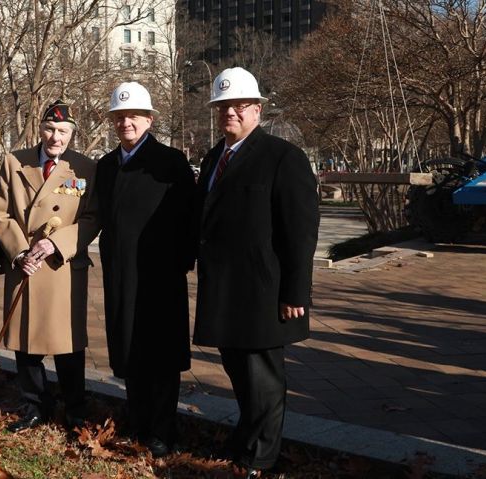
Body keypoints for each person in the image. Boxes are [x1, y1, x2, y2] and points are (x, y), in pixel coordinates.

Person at [193, 67, 319, 478]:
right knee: (239, 371)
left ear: (257, 109)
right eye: (223, 106)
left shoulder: (283, 157)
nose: (230, 112)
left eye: (239, 105)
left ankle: (261, 457)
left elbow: (300, 231)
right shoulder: (215, 157)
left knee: (263, 377)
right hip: (226, 288)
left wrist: (296, 292)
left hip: (265, 290)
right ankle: (247, 438)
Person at [95, 82, 195, 457]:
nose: (126, 123)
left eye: (133, 116)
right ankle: (136, 421)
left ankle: (162, 430)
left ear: (149, 119)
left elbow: (189, 217)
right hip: (121, 274)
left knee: (161, 355)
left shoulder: (171, 162)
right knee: (129, 349)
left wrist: (180, 263)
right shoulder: (106, 166)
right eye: (119, 117)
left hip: (160, 275)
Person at [0, 100, 100, 432]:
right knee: (27, 343)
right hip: (26, 266)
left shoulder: (85, 168)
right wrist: (20, 252)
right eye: (50, 129)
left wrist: (57, 243)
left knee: (68, 344)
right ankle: (35, 405)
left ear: (73, 134)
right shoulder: (15, 162)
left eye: (63, 131)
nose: (56, 137)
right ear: (40, 128)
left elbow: (92, 218)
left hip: (62, 267)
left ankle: (75, 407)